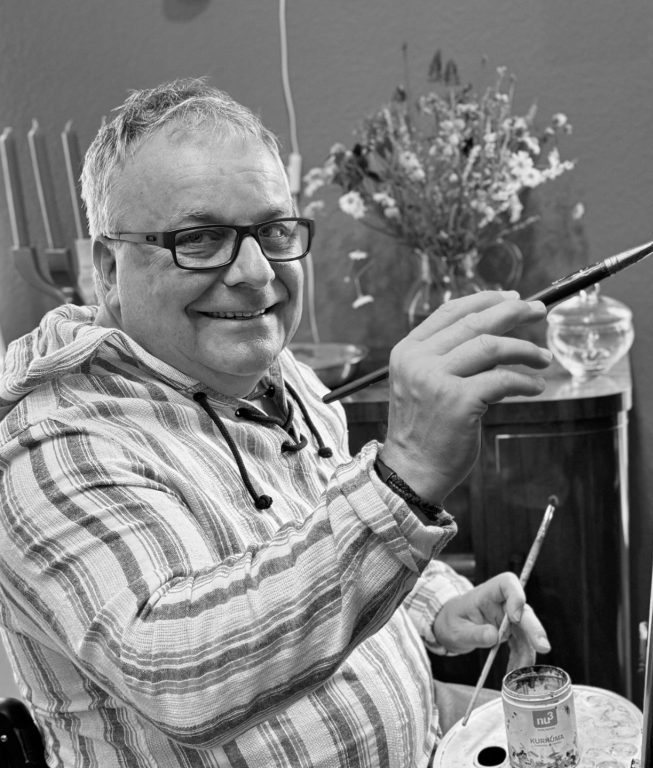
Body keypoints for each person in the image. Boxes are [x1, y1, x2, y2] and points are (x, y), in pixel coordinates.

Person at [0, 78, 554, 768]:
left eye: (273, 231)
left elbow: (323, 531)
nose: (257, 272)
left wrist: (434, 604)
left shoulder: (275, 372)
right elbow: (184, 680)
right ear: (109, 269)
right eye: (200, 238)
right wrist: (407, 475)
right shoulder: (50, 445)